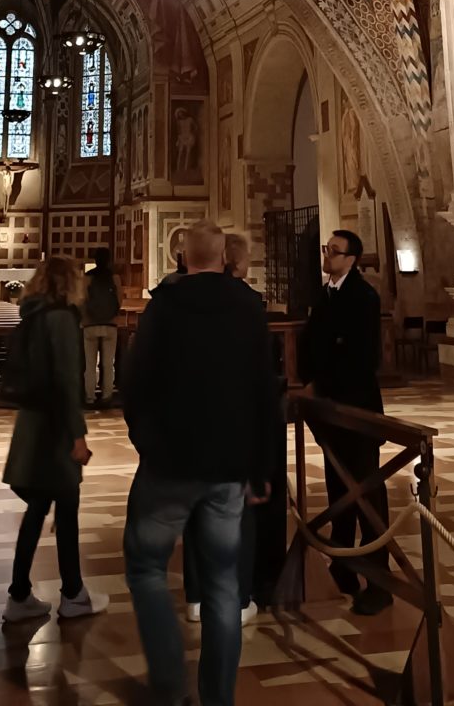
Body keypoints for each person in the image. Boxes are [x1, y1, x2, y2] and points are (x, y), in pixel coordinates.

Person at [124, 220, 278, 706]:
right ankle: (218, 698)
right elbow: (264, 390)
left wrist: (146, 442)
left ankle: (170, 683)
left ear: (183, 256)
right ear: (224, 257)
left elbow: (136, 382)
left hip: (168, 465)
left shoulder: (164, 306)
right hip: (228, 468)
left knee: (146, 568)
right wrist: (261, 467)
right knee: (224, 587)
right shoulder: (248, 308)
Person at [2, 256, 107, 622]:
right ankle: (73, 594)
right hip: (54, 429)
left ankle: (20, 595)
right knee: (65, 510)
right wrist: (78, 436)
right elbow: (66, 381)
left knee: (39, 510)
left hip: (32, 424)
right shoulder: (61, 319)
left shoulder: (32, 314)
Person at [299, 229, 391, 615]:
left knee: (366, 493)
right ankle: (343, 566)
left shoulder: (363, 297)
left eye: (334, 252)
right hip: (330, 410)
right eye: (327, 249)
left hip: (356, 410)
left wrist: (320, 382)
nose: (327, 256)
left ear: (351, 260)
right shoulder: (326, 294)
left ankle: (380, 581)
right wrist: (308, 380)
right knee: (338, 488)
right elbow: (312, 343)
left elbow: (360, 356)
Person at [184, 230, 260, 628]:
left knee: (196, 513)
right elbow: (257, 380)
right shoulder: (245, 304)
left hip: (186, 431)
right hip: (231, 430)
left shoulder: (173, 301)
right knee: (235, 515)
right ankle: (237, 597)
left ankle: (197, 596)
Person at [82, 247, 121, 407]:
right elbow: (119, 300)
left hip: (90, 324)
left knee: (90, 364)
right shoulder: (115, 277)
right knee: (108, 363)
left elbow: (83, 299)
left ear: (95, 260)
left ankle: (90, 396)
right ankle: (107, 396)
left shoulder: (87, 277)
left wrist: (85, 318)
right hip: (110, 323)